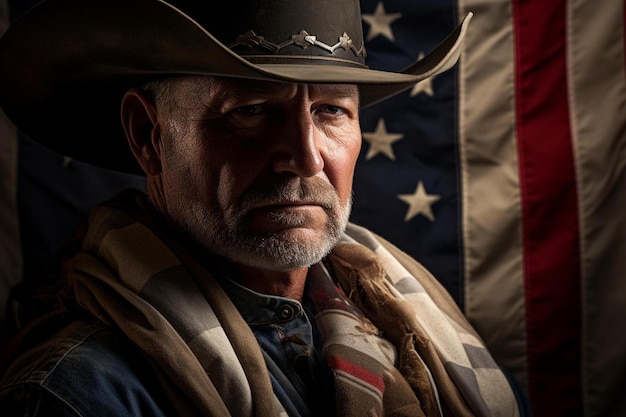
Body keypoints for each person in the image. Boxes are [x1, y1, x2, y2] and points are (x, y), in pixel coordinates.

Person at [0, 0, 526, 415]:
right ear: (149, 134)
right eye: (251, 111)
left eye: (330, 111)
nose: (304, 157)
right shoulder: (82, 393)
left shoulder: (420, 335)